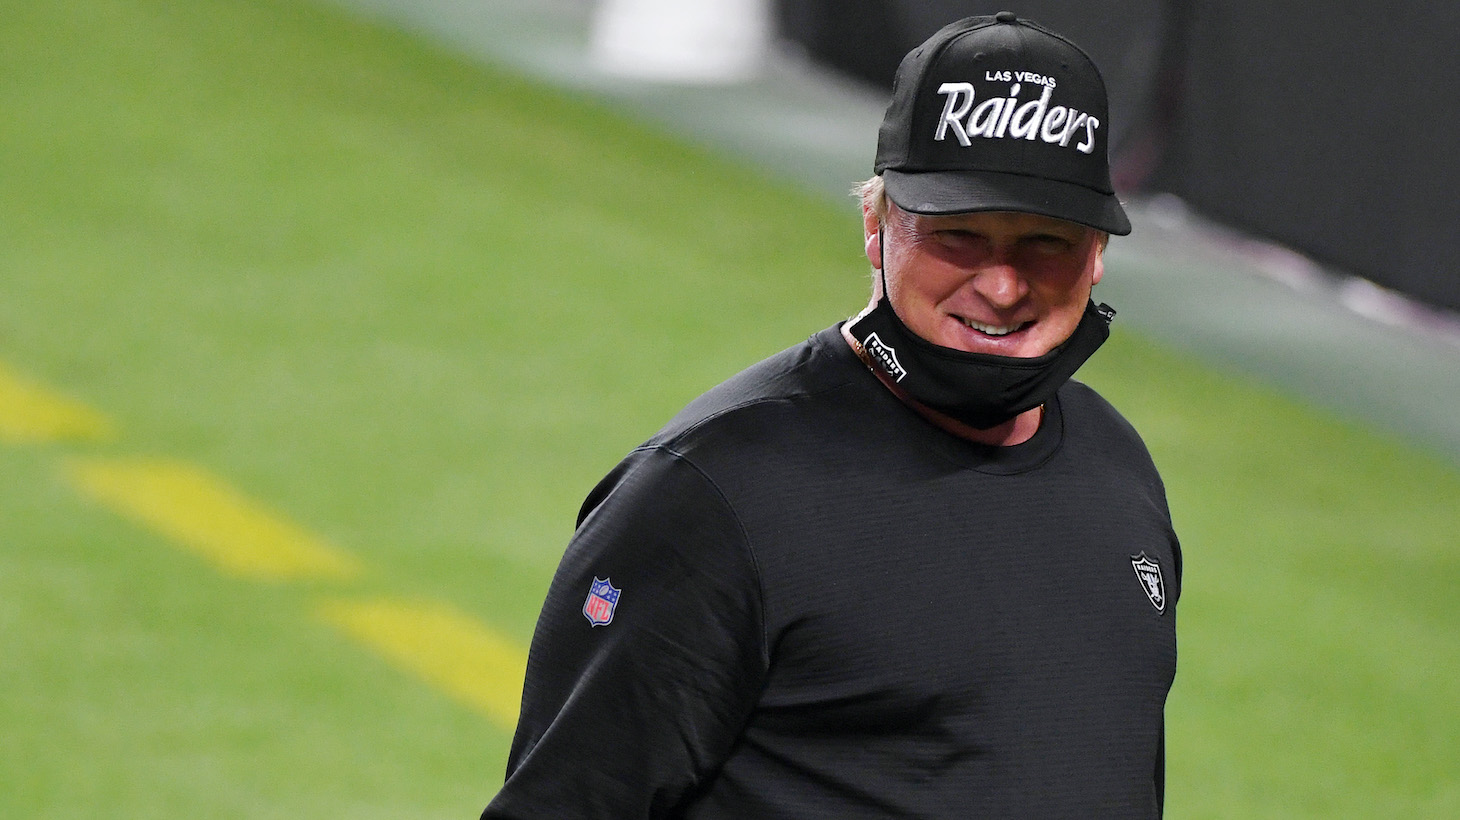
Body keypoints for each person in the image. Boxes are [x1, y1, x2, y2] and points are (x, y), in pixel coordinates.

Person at [483, 12, 1179, 819]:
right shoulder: (709, 499)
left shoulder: (1116, 470)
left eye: (1044, 242)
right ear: (877, 227)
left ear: (1096, 254)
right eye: (958, 236)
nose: (1000, 285)